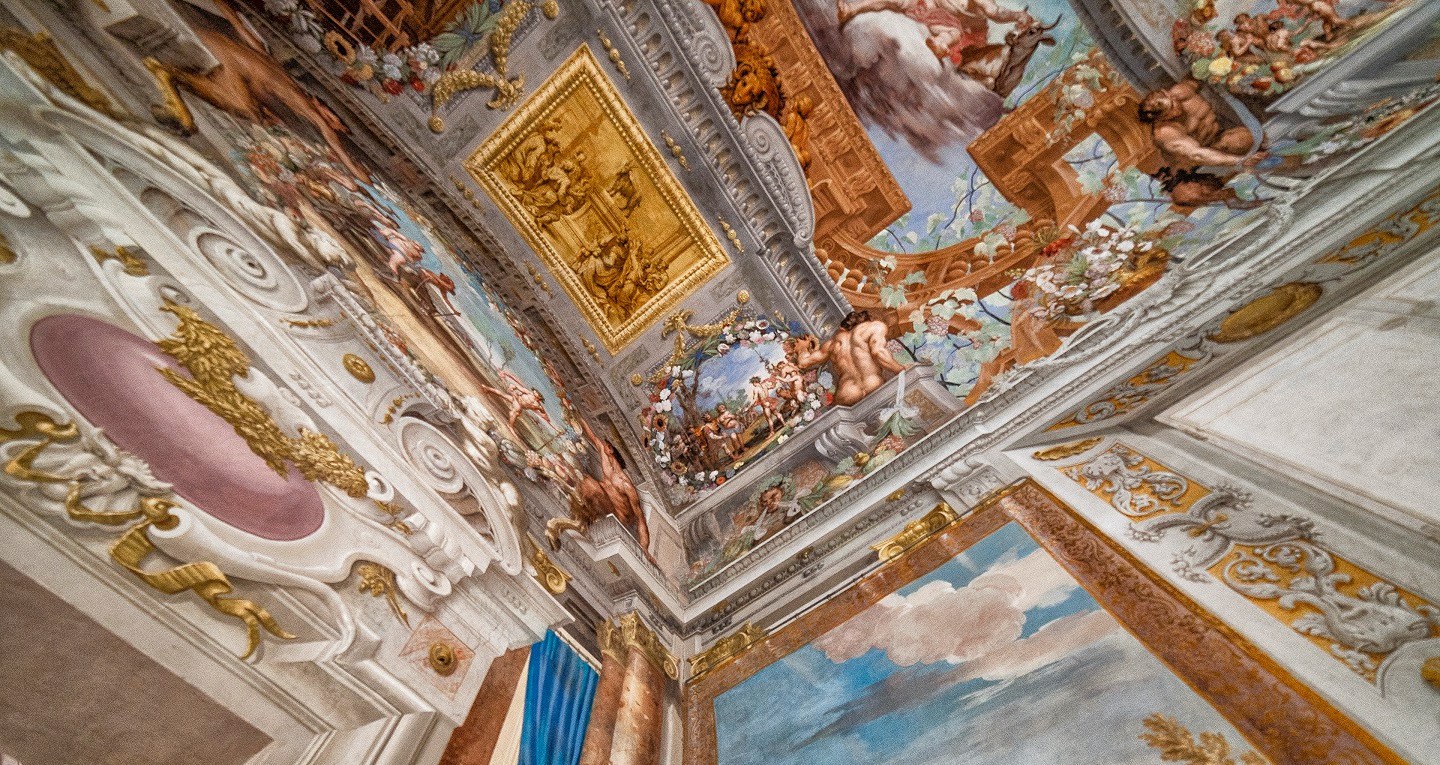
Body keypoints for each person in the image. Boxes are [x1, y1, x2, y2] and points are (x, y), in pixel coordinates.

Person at [1138, 79, 1266, 211]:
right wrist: (1239, 161)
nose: (1176, 101)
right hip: (1193, 169)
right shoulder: (1165, 133)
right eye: (1172, 107)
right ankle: (1227, 195)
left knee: (1245, 139)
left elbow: (1202, 78)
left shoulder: (1182, 91)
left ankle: (1261, 166)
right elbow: (1197, 154)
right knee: (1185, 196)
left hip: (1217, 143)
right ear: (1162, 118)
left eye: (1171, 97)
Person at [838, 0, 1033, 67]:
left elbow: (996, 12)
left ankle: (940, 44)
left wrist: (1017, 15)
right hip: (922, 5)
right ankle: (851, 9)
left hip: (944, 22)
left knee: (953, 33)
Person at [796, 310, 908, 406]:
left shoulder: (831, 344)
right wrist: (900, 369)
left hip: (847, 393)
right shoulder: (874, 327)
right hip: (872, 383)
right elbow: (878, 352)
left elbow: (803, 363)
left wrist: (803, 348)